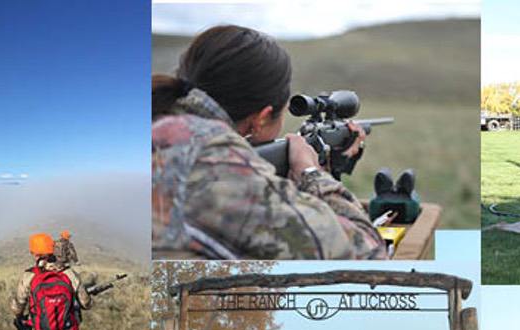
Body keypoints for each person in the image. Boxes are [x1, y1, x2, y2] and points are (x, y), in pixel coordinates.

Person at [152, 25, 386, 260]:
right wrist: (313, 174)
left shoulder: (161, 123)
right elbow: (369, 253)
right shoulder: (215, 163)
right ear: (261, 119)